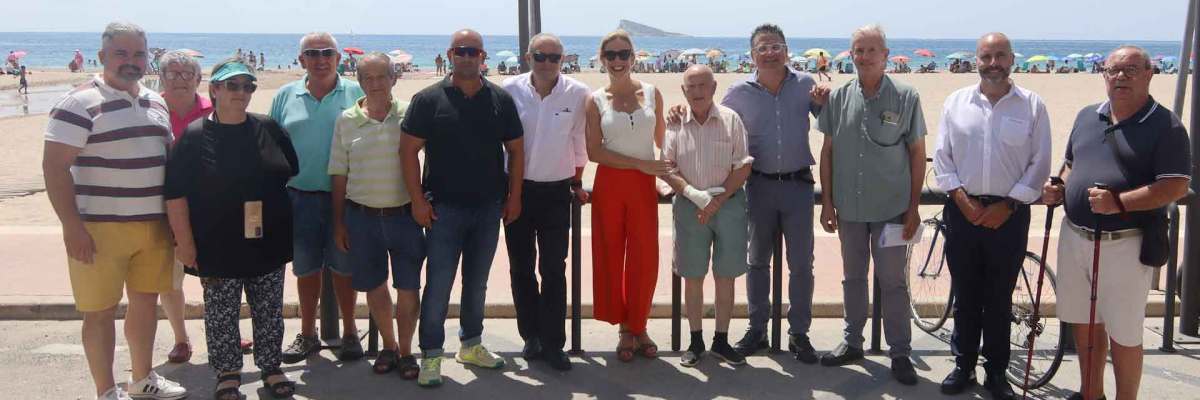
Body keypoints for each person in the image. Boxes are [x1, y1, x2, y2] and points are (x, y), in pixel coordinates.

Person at [42, 21, 187, 400]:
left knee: (146, 304)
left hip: (153, 227)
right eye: (121, 53)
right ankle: (106, 390)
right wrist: (71, 226)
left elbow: (165, 161)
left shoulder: (156, 101)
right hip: (98, 229)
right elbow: (54, 168)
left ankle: (141, 378)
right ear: (102, 56)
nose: (131, 61)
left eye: (139, 53)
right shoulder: (78, 103)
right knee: (99, 312)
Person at [1043, 45, 1191, 400]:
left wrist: (1119, 203)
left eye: (1131, 70)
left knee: (1124, 334)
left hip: (1126, 243)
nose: (1121, 76)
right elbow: (1071, 163)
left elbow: (1175, 185)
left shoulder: (1167, 125)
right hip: (1074, 236)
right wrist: (1059, 186)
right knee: (1084, 323)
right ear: (1104, 75)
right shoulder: (1086, 116)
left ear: (1149, 74)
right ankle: (1091, 394)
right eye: (1113, 70)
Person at [164, 59, 298, 400]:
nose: (241, 92)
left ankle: (271, 366)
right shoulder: (194, 136)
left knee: (269, 309)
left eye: (248, 86)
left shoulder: (268, 127)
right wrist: (184, 243)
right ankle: (227, 372)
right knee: (221, 313)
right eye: (232, 85)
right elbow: (175, 194)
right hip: (216, 243)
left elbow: (290, 171)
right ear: (215, 89)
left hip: (268, 239)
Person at [400, 29, 525, 387]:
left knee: (477, 283)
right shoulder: (428, 100)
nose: (467, 56)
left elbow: (516, 150)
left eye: (474, 51)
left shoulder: (500, 99)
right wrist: (417, 200)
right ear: (450, 54)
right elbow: (407, 151)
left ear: (483, 57)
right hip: (443, 211)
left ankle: (470, 344)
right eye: (461, 51)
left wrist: (514, 196)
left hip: (488, 209)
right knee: (438, 285)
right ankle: (431, 355)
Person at [933, 33, 1052, 400]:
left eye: (1000, 55)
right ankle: (964, 365)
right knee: (966, 294)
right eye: (986, 56)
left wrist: (1009, 205)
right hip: (962, 211)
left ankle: (996, 372)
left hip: (1010, 215)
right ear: (977, 60)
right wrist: (962, 200)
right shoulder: (956, 102)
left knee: (1000, 299)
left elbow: (1040, 162)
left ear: (1012, 59)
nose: (993, 63)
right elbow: (942, 158)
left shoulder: (1032, 105)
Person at [705, 23, 828, 362]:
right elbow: (714, 121)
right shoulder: (738, 92)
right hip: (758, 185)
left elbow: (827, 122)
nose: (771, 52)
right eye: (763, 47)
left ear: (786, 51)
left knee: (801, 264)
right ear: (752, 55)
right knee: (757, 261)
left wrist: (823, 103)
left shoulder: (805, 84)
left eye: (776, 46)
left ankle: (799, 333)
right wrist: (680, 111)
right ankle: (757, 329)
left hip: (799, 186)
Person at [816, 24, 924, 385]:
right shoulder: (838, 98)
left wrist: (913, 208)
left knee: (893, 282)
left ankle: (900, 353)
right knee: (852, 278)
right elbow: (827, 152)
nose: (864, 57)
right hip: (849, 209)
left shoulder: (906, 97)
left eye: (871, 50)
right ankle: (852, 342)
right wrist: (827, 203)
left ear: (885, 55)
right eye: (858, 51)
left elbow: (917, 154)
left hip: (892, 209)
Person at [269, 32, 366, 364]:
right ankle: (308, 334)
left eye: (327, 52)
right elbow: (271, 144)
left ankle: (350, 332)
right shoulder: (285, 95)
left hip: (347, 198)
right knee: (306, 268)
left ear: (338, 58)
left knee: (344, 268)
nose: (320, 59)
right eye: (312, 53)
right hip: (299, 198)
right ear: (301, 60)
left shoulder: (356, 92)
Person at [329, 52, 425, 380]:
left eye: (381, 76)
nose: (375, 84)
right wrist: (339, 223)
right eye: (367, 78)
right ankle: (389, 346)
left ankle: (408, 352)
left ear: (393, 79)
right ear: (359, 82)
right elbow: (339, 175)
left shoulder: (410, 115)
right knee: (374, 285)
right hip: (362, 218)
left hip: (405, 217)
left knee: (409, 286)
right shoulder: (346, 120)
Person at [500, 33, 590, 372]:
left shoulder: (577, 93)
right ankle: (531, 336)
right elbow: (500, 143)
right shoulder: (509, 89)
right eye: (541, 56)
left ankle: (554, 343)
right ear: (528, 57)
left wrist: (577, 182)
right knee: (521, 267)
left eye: (554, 57)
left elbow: (579, 143)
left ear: (563, 60)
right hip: (517, 190)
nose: (547, 63)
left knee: (553, 269)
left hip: (556, 192)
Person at [583, 29, 669, 363]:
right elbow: (594, 151)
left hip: (644, 186)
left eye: (623, 54)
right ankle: (624, 328)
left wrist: (681, 120)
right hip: (610, 183)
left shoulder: (652, 92)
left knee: (645, 257)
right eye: (611, 55)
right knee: (610, 254)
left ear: (633, 58)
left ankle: (640, 324)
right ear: (602, 59)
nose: (617, 61)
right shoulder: (595, 99)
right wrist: (640, 164)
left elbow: (663, 141)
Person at [661, 65, 753, 367]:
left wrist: (716, 201)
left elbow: (743, 165)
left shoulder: (731, 119)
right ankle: (696, 340)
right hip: (689, 207)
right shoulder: (675, 123)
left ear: (714, 88)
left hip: (728, 205)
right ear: (683, 90)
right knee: (693, 276)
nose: (697, 91)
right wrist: (694, 195)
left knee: (726, 276)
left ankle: (721, 340)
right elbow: (667, 167)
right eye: (691, 86)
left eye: (703, 85)